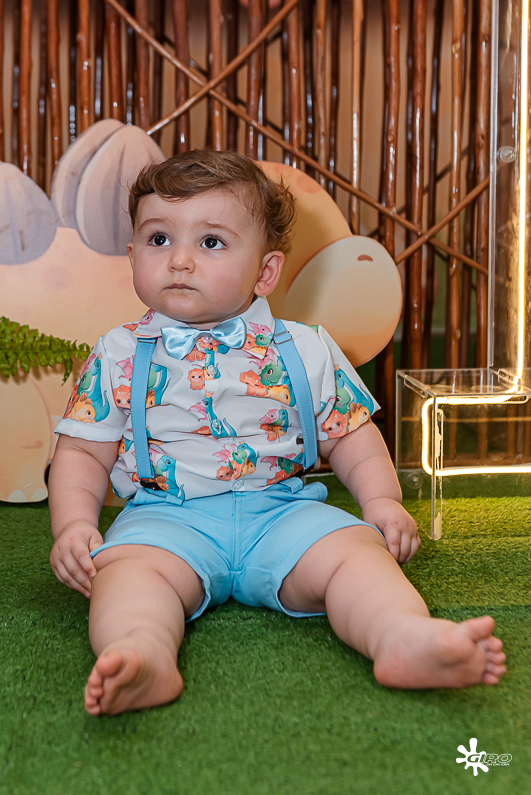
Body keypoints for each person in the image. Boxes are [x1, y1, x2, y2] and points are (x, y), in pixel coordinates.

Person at [48, 150, 505, 716]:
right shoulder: (117, 352)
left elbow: (351, 436)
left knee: (356, 556)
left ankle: (401, 635)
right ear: (133, 255)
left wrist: (382, 501)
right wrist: (73, 525)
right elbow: (82, 452)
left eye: (210, 242)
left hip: (284, 515)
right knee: (125, 576)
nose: (180, 261)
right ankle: (141, 651)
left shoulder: (305, 347)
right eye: (159, 239)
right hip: (164, 520)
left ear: (265, 272)